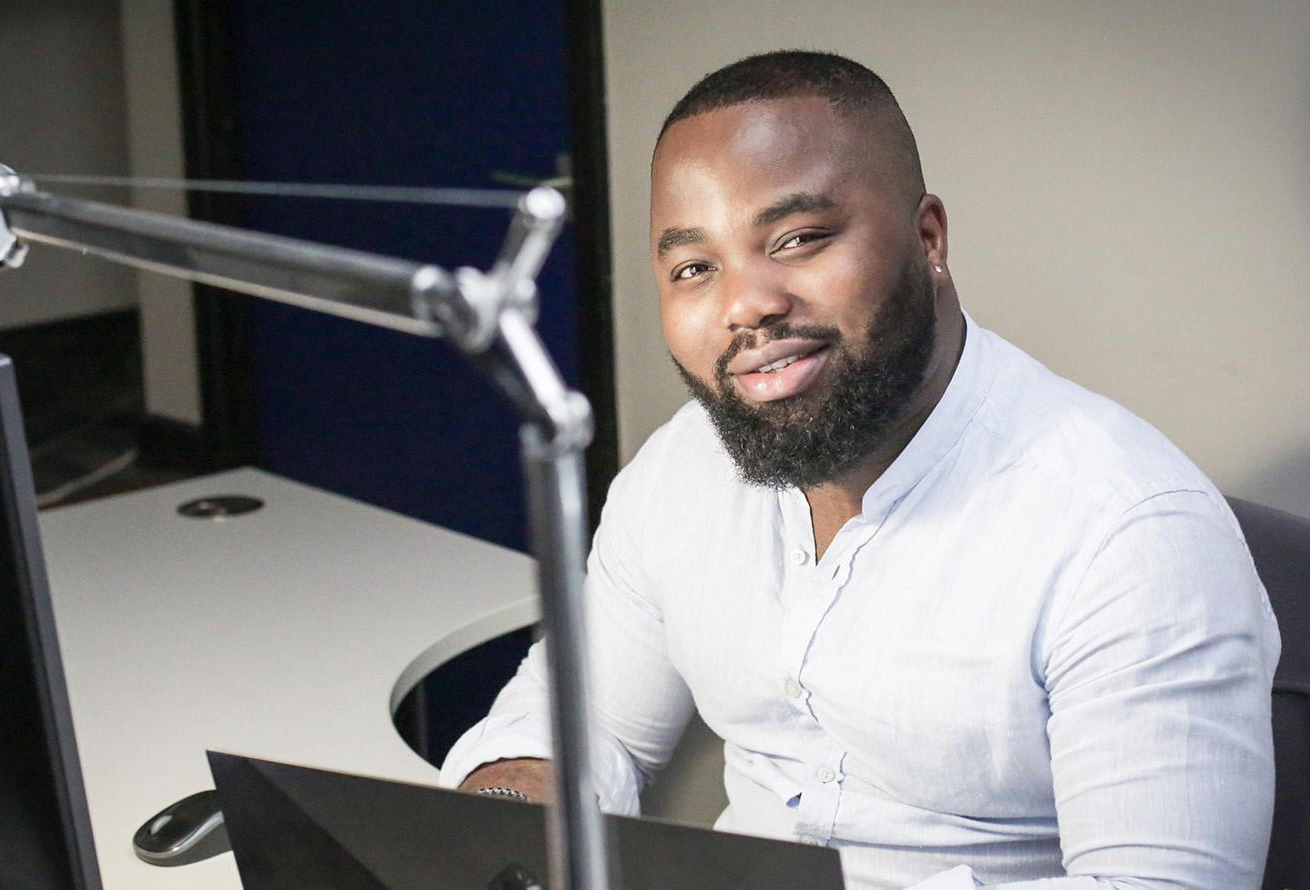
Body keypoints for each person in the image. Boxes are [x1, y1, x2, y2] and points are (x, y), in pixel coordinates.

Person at [439, 50, 1280, 890]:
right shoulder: (681, 469)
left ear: (927, 238)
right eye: (695, 268)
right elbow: (586, 725)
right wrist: (506, 819)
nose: (747, 305)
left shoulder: (1129, 534)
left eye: (798, 239)